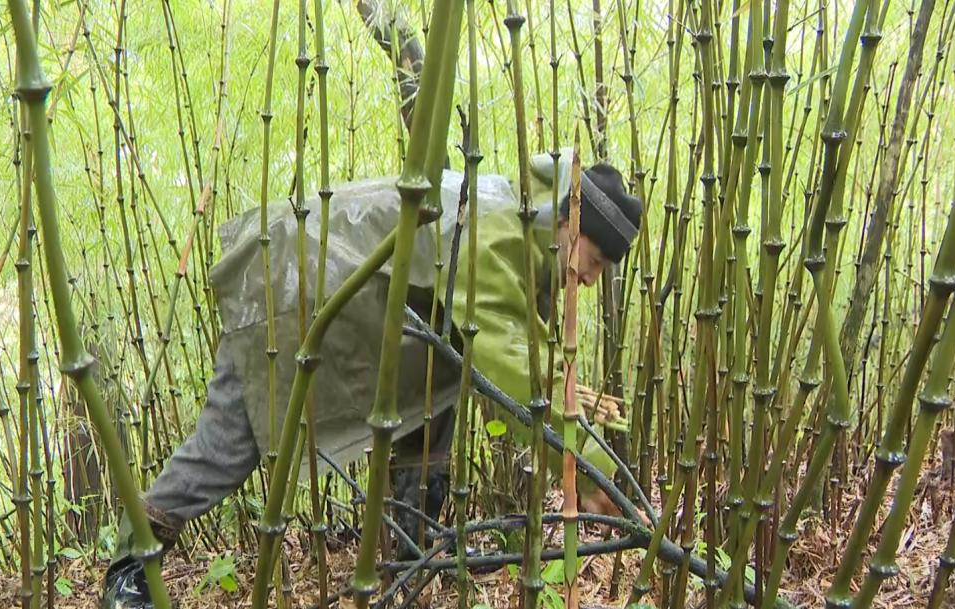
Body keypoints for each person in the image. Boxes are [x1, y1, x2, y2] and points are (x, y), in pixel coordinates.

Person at [102, 152, 642, 608]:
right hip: (294, 295)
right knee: (230, 442)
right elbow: (511, 372)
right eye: (593, 260)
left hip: (342, 311)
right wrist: (584, 471)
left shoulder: (514, 224)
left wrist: (567, 395)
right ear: (565, 223)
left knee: (434, 402)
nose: (591, 280)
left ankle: (408, 556)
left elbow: (503, 356)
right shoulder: (496, 233)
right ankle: (130, 568)